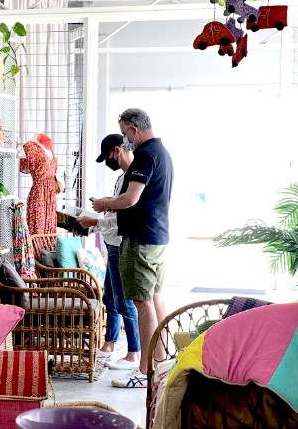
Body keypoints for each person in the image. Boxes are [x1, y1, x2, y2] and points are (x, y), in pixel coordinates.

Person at [92, 108, 173, 388]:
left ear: (134, 130)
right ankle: (162, 364)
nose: (126, 140)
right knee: (155, 298)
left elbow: (130, 199)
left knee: (142, 302)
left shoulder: (146, 155)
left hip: (140, 239)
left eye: (126, 134)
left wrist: (104, 204)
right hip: (156, 236)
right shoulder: (162, 153)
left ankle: (146, 370)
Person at [78, 134, 139, 371]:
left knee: (124, 302)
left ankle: (134, 352)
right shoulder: (123, 178)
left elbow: (119, 221)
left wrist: (94, 220)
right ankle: (110, 344)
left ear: (118, 150)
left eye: (108, 157)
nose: (108, 162)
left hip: (119, 244)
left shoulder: (132, 179)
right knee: (110, 299)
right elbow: (114, 217)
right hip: (112, 244)